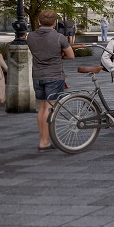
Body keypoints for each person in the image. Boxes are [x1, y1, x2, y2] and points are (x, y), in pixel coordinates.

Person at [27, 9, 74, 151]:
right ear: (54, 22)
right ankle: (45, 141)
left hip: (37, 75)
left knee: (41, 107)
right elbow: (71, 55)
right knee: (49, 107)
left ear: (39, 21)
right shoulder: (59, 37)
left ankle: (43, 140)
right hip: (54, 75)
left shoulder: (31, 36)